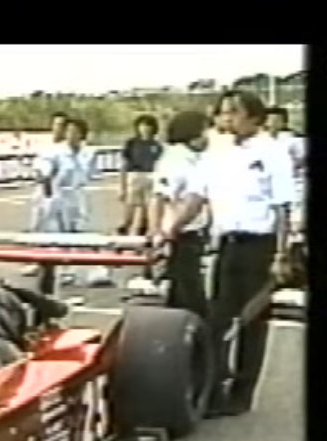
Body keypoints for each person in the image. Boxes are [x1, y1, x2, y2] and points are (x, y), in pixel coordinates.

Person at [158, 91, 295, 417]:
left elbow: (282, 208)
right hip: (227, 244)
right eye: (222, 112)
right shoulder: (216, 153)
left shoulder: (273, 152)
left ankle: (242, 393)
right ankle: (213, 388)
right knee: (218, 319)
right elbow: (195, 198)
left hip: (261, 246)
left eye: (234, 112)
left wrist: (281, 254)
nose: (226, 119)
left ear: (255, 117)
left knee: (251, 322)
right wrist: (169, 231)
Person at [146, 111, 212, 318]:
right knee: (189, 296)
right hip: (180, 234)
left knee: (182, 293)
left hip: (193, 232)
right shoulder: (175, 159)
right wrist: (159, 231)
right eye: (205, 131)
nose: (208, 136)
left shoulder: (197, 158)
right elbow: (159, 196)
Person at [30, 117, 99, 292]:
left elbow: (89, 175)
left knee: (76, 234)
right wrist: (44, 177)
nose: (71, 135)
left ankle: (69, 269)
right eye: (68, 131)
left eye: (75, 131)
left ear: (82, 134)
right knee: (54, 234)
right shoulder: (54, 152)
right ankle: (48, 269)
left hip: (77, 196)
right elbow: (42, 168)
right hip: (56, 196)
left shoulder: (88, 153)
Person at [119, 115, 164, 235]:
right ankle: (125, 226)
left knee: (148, 205)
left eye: (148, 126)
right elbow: (124, 164)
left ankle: (143, 228)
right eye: (142, 126)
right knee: (131, 204)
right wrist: (122, 186)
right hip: (135, 175)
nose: (145, 128)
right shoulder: (131, 143)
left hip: (150, 176)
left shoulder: (156, 145)